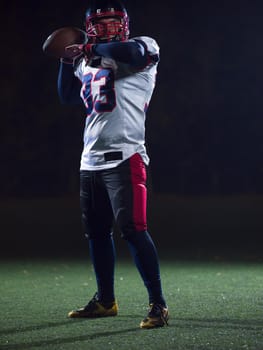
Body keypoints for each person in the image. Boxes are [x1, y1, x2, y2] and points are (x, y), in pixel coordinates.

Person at [57, 0, 169, 329]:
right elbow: (65, 96)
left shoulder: (144, 46)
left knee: (134, 230)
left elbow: (132, 55)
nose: (107, 27)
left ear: (124, 23)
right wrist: (67, 59)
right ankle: (106, 300)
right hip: (90, 157)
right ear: (90, 25)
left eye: (112, 21)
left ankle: (158, 304)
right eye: (100, 22)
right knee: (96, 232)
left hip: (126, 154)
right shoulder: (85, 60)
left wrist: (90, 47)